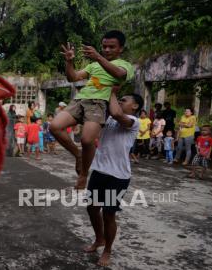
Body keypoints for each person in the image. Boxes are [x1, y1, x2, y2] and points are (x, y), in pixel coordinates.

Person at [51, 30, 135, 189]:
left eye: (112, 47)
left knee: (87, 140)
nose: (107, 50)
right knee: (54, 127)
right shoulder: (93, 65)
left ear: (121, 49)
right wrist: (69, 61)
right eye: (104, 46)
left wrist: (98, 56)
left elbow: (119, 74)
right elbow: (73, 77)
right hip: (80, 98)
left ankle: (83, 174)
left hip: (99, 102)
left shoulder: (125, 65)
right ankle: (78, 155)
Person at [85, 91, 143, 267]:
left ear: (135, 106)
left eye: (123, 100)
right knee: (92, 209)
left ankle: (107, 250)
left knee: (108, 214)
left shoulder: (134, 121)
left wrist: (110, 90)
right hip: (99, 171)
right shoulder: (108, 118)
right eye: (118, 99)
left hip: (117, 177)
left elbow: (118, 113)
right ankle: (99, 239)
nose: (119, 101)